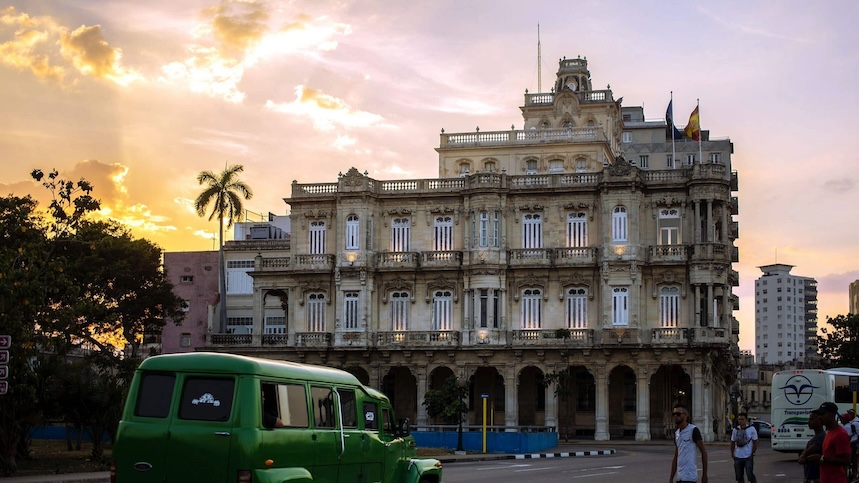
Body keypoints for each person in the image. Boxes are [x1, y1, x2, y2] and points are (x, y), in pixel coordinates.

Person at [810, 402, 851, 483]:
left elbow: (846, 460)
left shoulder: (840, 434)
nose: (819, 417)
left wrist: (822, 459)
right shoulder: (829, 432)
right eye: (819, 415)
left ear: (831, 415)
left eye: (822, 414)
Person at [670, 404, 708, 483]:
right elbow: (676, 456)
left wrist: (704, 475)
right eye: (674, 414)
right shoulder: (677, 433)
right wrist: (671, 478)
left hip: (690, 478)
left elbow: (703, 452)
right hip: (679, 477)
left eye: (678, 414)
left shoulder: (693, 430)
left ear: (686, 415)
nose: (675, 416)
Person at [799, 409, 826, 483]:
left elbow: (812, 448)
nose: (809, 422)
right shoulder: (816, 437)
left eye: (812, 419)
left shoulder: (821, 436)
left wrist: (803, 456)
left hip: (816, 478)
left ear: (820, 421)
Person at [730, 412, 758, 483]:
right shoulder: (735, 430)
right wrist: (732, 453)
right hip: (738, 456)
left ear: (746, 420)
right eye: (739, 419)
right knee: (739, 477)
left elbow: (755, 442)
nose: (740, 421)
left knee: (750, 475)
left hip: (748, 456)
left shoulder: (751, 429)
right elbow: (732, 442)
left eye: (742, 419)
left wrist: (753, 453)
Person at [842, 409, 859, 480]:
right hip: (855, 444)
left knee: (852, 461)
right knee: (854, 461)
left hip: (853, 444)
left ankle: (853, 475)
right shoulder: (853, 423)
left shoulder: (852, 425)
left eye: (849, 413)